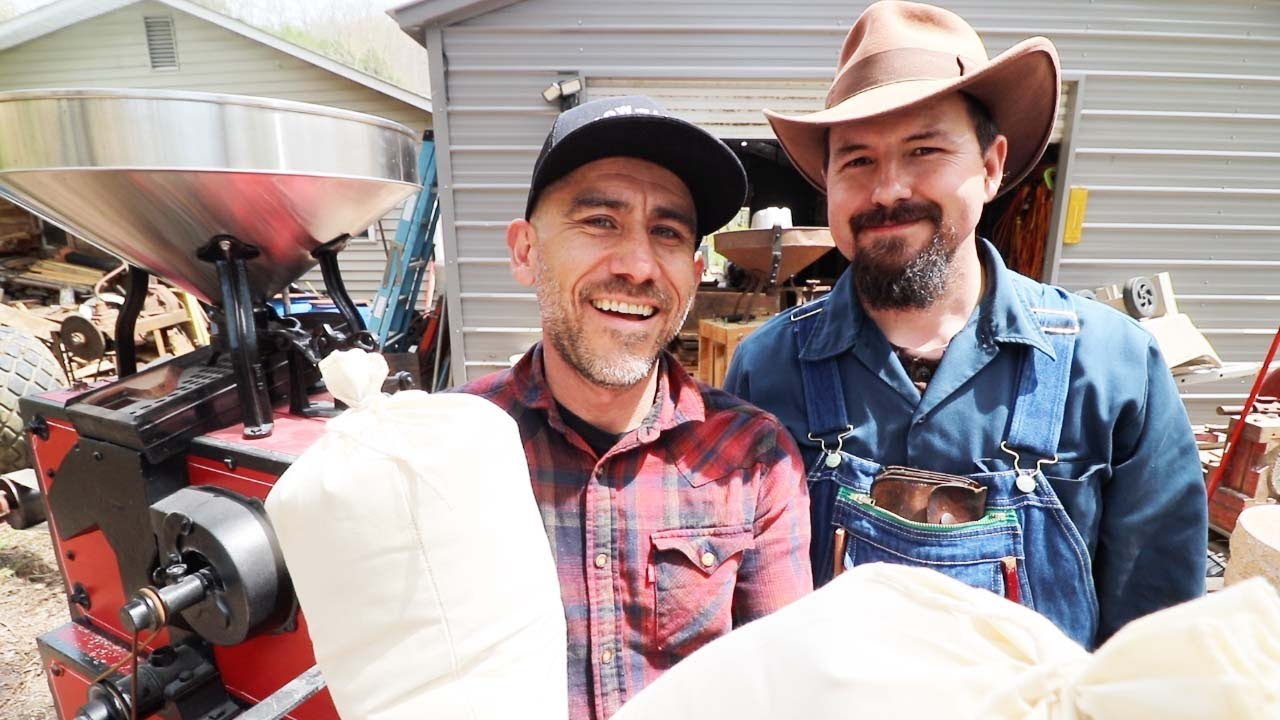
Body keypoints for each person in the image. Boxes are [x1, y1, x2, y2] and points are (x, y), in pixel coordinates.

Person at [724, 0, 1206, 649]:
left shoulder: (1115, 370)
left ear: (990, 166)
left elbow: (1159, 645)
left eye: (924, 149)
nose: (888, 189)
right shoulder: (766, 370)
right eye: (857, 160)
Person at [458, 95, 812, 719]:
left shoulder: (753, 459)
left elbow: (785, 691)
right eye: (600, 221)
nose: (638, 266)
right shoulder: (455, 447)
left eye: (667, 233)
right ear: (525, 251)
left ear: (695, 273)